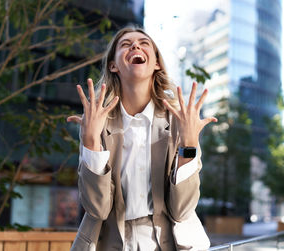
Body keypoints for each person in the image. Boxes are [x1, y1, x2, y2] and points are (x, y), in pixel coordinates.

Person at [67, 26, 216, 251]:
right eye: (126, 44)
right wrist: (91, 142)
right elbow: (97, 208)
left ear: (156, 63)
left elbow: (182, 209)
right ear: (113, 65)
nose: (136, 45)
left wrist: (188, 145)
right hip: (110, 242)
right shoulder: (96, 123)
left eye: (144, 43)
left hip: (169, 242)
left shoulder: (179, 121)